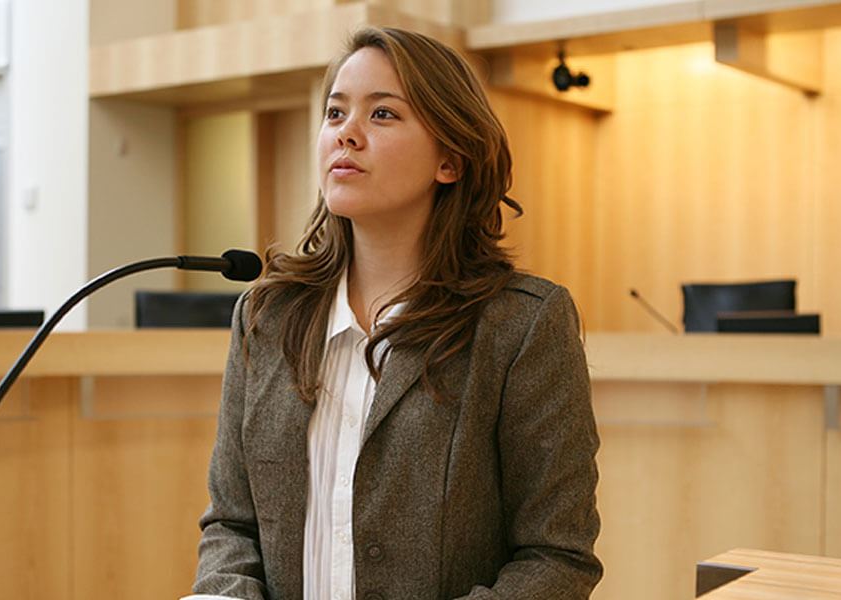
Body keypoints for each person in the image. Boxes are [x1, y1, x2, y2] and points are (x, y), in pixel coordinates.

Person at [189, 26, 601, 600]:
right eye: (335, 113)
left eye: (382, 115)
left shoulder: (522, 326)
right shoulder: (266, 315)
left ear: (451, 161)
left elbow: (557, 555)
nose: (346, 135)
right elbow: (231, 525)